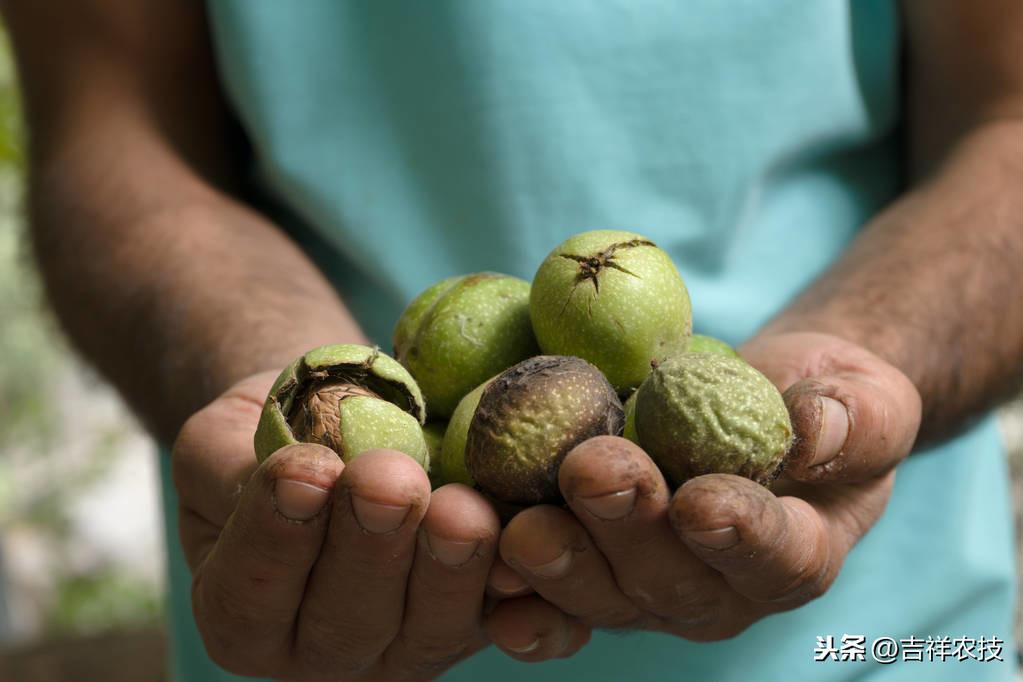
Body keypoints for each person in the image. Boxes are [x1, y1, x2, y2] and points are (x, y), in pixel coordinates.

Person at [3, 1, 1020, 680]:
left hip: (895, 639)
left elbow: (1008, 112)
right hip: (313, 612)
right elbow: (110, 123)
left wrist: (860, 359)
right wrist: (251, 356)